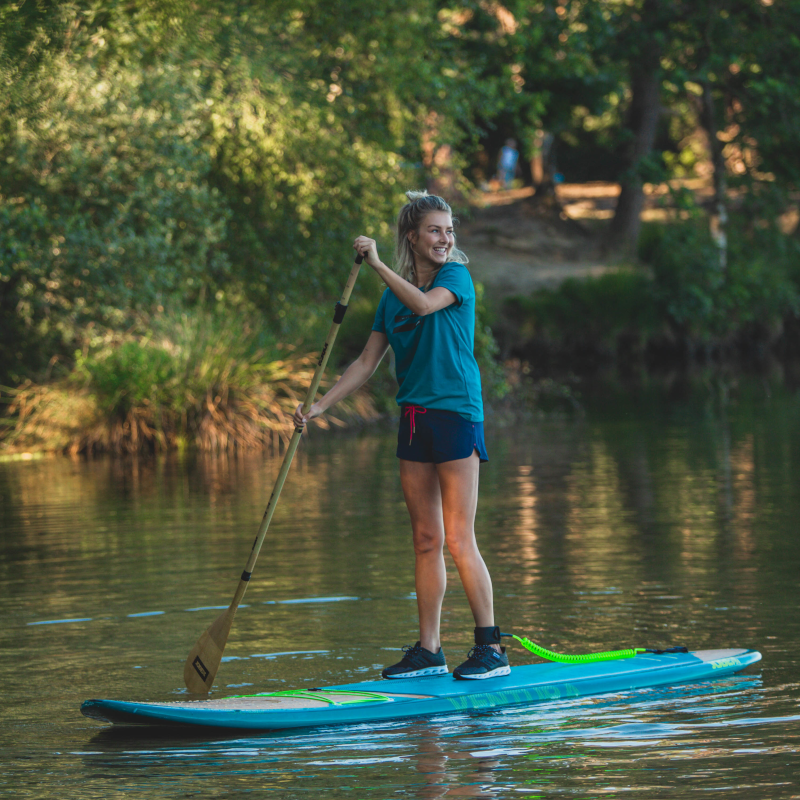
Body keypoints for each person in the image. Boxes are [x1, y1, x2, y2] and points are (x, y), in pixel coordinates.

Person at [294, 191, 509, 681]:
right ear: (412, 237)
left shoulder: (455, 277)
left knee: (459, 538)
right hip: (414, 419)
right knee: (425, 538)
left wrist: (376, 266)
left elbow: (425, 304)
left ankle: (490, 648)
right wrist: (319, 407)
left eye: (449, 230)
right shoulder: (391, 300)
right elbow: (366, 363)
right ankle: (429, 651)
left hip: (456, 414)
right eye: (435, 230)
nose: (446, 238)